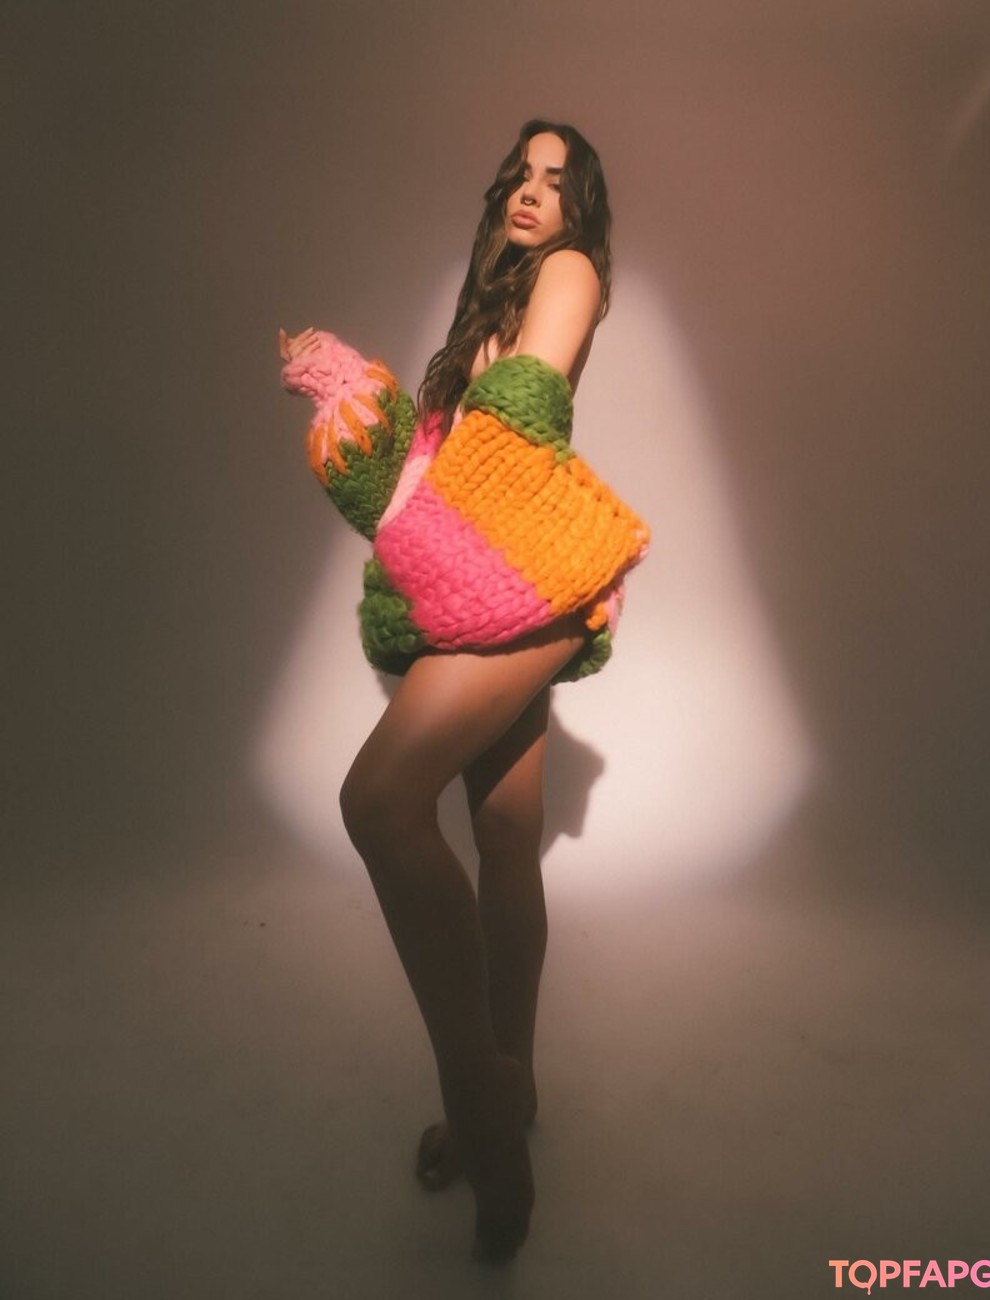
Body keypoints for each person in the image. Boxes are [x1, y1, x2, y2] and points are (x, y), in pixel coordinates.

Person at [307, 120, 615, 1263]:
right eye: (519, 176)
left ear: (579, 208)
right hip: (491, 575)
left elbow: (522, 412)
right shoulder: (488, 303)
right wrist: (356, 403)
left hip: (526, 574)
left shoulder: (570, 272)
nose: (532, 192)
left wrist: (434, 471)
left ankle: (480, 1101)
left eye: (555, 180)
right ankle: (516, 1082)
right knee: (503, 830)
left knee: (379, 802)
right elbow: (438, 462)